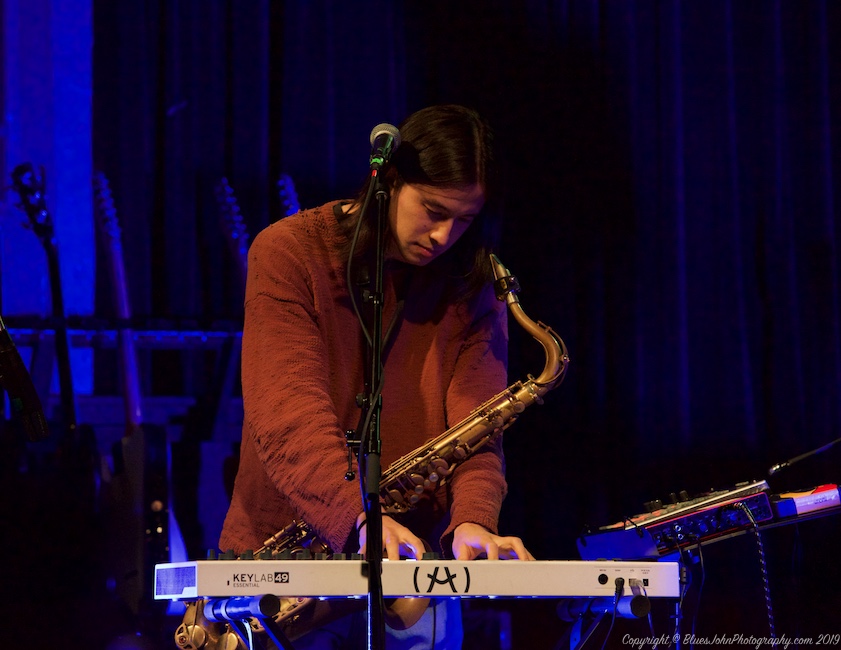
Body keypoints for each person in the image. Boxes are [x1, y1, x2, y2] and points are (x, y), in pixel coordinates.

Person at [219, 104, 534, 649]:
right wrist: (357, 519)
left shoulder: (475, 284)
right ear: (389, 181)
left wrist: (474, 521)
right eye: (433, 209)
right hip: (283, 568)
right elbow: (286, 416)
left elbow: (479, 431)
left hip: (410, 571)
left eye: (465, 220)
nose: (444, 236)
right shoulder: (289, 252)